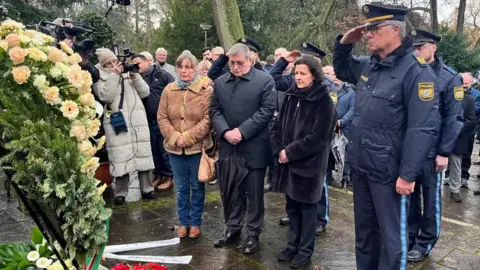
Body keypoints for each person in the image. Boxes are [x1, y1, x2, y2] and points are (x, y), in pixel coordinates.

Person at [333, 4, 440, 269]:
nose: (367, 34)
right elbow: (343, 70)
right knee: (365, 237)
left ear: (395, 30)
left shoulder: (417, 72)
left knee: (392, 242)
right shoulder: (373, 64)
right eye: (367, 29)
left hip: (390, 173)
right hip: (363, 166)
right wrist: (344, 44)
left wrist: (408, 174)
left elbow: (422, 128)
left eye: (373, 28)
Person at [271, 55, 337, 268]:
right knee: (292, 207)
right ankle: (292, 244)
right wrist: (279, 149)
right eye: (296, 73)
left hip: (309, 165)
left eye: (302, 73)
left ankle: (305, 249)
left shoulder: (323, 101)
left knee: (308, 210)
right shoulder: (291, 96)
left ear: (314, 75)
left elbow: (319, 138)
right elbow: (277, 126)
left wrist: (290, 152)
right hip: (288, 163)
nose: (298, 77)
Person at [210, 43, 275, 254]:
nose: (235, 67)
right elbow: (214, 110)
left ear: (251, 60)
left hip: (254, 147)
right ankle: (232, 227)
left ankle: (253, 234)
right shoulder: (221, 82)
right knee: (230, 191)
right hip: (229, 147)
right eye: (232, 63)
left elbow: (267, 110)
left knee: (254, 195)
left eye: (240, 63)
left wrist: (243, 131)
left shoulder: (264, 80)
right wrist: (226, 131)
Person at [406, 29, 464, 262]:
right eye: (414, 47)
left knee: (430, 200)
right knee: (409, 197)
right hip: (411, 149)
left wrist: (443, 152)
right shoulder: (410, 72)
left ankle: (425, 240)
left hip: (433, 153)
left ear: (433, 47)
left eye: (421, 47)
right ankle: (410, 235)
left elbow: (454, 118)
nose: (417, 51)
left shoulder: (450, 78)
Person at [158, 50, 213, 239]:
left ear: (195, 68)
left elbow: (207, 120)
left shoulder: (206, 90)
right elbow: (162, 117)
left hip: (197, 148)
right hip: (174, 148)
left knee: (197, 186)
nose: (184, 71)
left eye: (188, 67)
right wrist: (174, 137)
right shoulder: (168, 90)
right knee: (181, 187)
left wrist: (188, 137)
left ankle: (195, 222)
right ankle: (183, 221)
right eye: (181, 67)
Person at [93, 48, 157, 206]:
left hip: (137, 119)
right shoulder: (99, 76)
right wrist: (114, 75)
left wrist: (134, 75)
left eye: (114, 61)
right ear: (103, 64)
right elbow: (105, 96)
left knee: (142, 154)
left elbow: (145, 92)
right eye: (109, 63)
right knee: (120, 156)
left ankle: (147, 189)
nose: (113, 64)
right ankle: (121, 193)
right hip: (117, 122)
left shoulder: (128, 73)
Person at [131, 54, 175, 191]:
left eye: (138, 64)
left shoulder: (163, 75)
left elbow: (174, 93)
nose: (136, 67)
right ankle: (158, 175)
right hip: (147, 120)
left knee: (164, 150)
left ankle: (169, 176)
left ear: (147, 62)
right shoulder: (137, 78)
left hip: (162, 119)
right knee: (153, 150)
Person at [323, 65, 356, 186]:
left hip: (343, 129)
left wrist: (340, 122)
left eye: (333, 74)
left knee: (343, 156)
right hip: (326, 128)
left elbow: (353, 110)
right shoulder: (323, 89)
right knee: (327, 155)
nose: (333, 77)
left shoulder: (350, 92)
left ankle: (344, 179)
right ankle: (326, 178)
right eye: (326, 74)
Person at [447, 88, 475, 202]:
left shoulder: (469, 100)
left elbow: (471, 120)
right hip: (440, 137)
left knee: (456, 165)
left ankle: (455, 191)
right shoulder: (444, 96)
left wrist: (456, 131)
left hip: (457, 139)